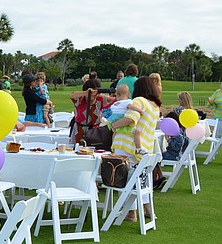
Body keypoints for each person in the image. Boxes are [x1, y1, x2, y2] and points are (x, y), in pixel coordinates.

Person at [109, 76, 162, 220]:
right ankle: (147, 209)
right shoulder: (155, 107)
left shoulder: (139, 101)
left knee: (123, 178)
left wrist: (113, 125)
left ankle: (131, 212)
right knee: (140, 180)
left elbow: (130, 119)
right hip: (144, 148)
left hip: (126, 144)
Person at [68, 73, 114, 145]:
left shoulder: (100, 99)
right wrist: (86, 93)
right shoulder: (80, 99)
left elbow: (114, 99)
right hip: (79, 130)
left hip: (95, 132)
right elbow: (72, 95)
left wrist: (115, 91)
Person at [160, 92, 193, 161]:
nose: (178, 100)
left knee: (159, 155)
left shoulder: (179, 110)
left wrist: (168, 139)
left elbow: (176, 146)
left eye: (179, 99)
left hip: (176, 154)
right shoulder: (191, 111)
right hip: (185, 147)